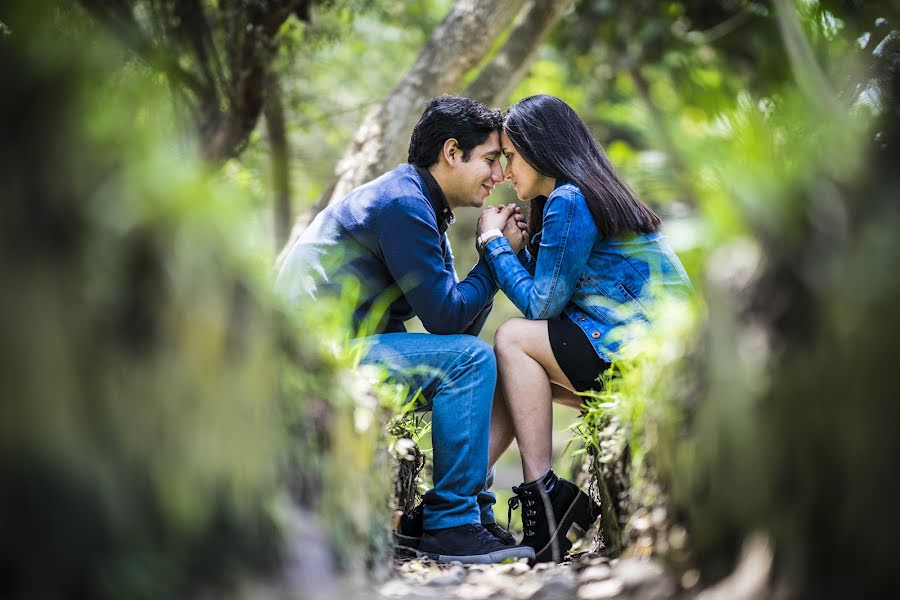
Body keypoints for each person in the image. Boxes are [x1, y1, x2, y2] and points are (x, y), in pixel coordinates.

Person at [274, 96, 534, 564]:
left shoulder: (422, 204)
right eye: (492, 160)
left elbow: (454, 326)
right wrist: (495, 256)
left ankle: (464, 512)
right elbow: (448, 321)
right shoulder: (403, 204)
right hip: (314, 357)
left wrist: (491, 257)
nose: (499, 177)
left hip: (344, 348)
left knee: (489, 360)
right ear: (452, 153)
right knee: (474, 361)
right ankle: (451, 524)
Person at [476, 94, 693, 562]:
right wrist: (517, 248)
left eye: (510, 156)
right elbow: (556, 295)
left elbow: (540, 306)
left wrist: (494, 245)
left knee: (513, 338)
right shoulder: (575, 196)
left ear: (541, 148)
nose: (504, 172)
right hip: (633, 352)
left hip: (637, 354)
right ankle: (457, 499)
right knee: (511, 371)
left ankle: (542, 492)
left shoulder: (571, 199)